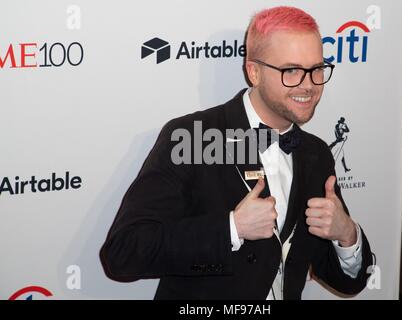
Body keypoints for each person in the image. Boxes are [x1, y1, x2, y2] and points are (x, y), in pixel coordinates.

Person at [100, 6, 373, 300]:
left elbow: (347, 283)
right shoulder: (193, 138)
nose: (308, 85)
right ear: (253, 72)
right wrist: (231, 228)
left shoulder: (316, 154)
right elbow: (123, 253)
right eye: (291, 71)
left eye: (316, 69)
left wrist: (346, 234)